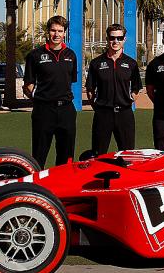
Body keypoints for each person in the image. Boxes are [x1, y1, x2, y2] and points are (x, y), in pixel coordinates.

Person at [22, 15, 77, 167]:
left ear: (65, 33)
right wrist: (41, 99)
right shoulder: (35, 55)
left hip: (66, 110)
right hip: (43, 111)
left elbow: (69, 82)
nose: (56, 34)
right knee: (39, 153)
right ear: (48, 31)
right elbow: (28, 85)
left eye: (60, 30)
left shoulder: (71, 55)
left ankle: (62, 186)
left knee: (66, 154)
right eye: (53, 30)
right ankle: (37, 186)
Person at [86, 23, 142, 155]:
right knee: (98, 154)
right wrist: (99, 107)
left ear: (124, 40)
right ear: (107, 39)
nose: (115, 41)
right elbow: (90, 90)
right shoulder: (96, 63)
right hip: (103, 114)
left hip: (125, 114)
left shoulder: (131, 63)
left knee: (127, 155)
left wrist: (128, 100)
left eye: (119, 38)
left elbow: (136, 88)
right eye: (112, 38)